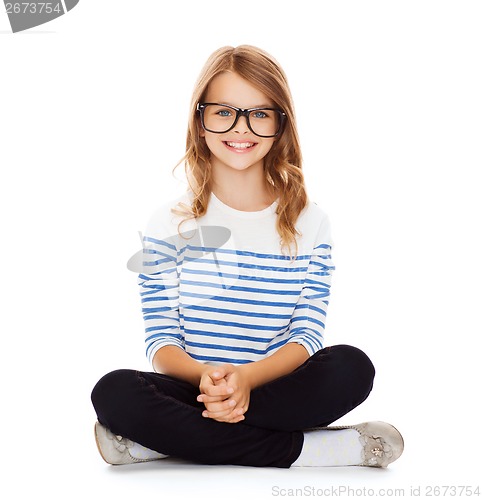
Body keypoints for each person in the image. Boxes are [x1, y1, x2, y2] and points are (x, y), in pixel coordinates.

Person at [91, 45, 404, 469]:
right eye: (224, 111)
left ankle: (161, 443)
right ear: (200, 121)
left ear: (281, 125)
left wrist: (247, 380)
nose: (242, 127)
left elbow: (307, 334)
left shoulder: (310, 222)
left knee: (352, 367)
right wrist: (209, 379)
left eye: (259, 113)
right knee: (114, 392)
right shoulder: (167, 222)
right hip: (196, 387)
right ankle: (314, 451)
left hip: (276, 389)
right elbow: (161, 338)